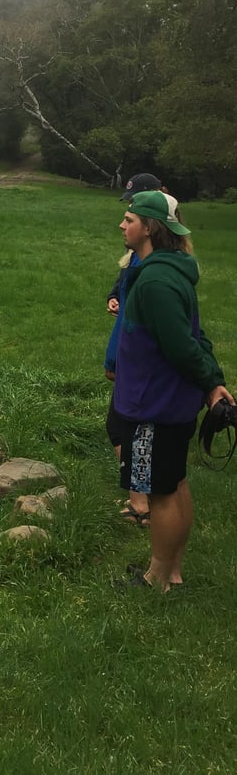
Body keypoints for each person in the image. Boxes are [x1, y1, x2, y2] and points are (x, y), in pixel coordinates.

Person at [113, 190, 234, 591]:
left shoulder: (157, 281)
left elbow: (182, 346)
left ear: (149, 228)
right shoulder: (170, 269)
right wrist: (213, 382)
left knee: (161, 492)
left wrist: (210, 382)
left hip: (154, 404)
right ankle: (173, 571)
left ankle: (157, 576)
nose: (122, 225)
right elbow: (194, 336)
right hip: (171, 400)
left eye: (129, 220)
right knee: (176, 482)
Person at [104, 172, 167, 526]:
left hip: (139, 362)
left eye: (131, 213)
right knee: (126, 428)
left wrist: (114, 359)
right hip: (135, 358)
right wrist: (114, 295)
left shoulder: (152, 266)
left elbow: (136, 322)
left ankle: (141, 503)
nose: (124, 219)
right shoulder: (146, 258)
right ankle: (142, 496)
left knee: (125, 427)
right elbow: (124, 294)